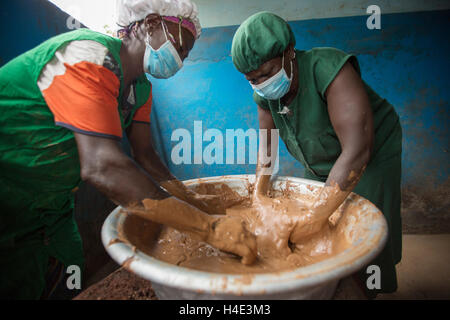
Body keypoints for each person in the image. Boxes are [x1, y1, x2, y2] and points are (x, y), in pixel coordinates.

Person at [0, 0, 233, 299]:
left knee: (69, 277)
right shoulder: (88, 55)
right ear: (149, 24)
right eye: (181, 48)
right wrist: (210, 229)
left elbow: (145, 156)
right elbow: (102, 166)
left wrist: (190, 198)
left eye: (185, 55)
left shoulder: (141, 88)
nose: (182, 59)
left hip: (52, 206)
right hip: (8, 196)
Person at [231, 12, 402, 298]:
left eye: (267, 72)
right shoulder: (264, 94)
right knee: (325, 221)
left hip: (370, 153)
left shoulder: (329, 69)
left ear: (288, 53)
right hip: (322, 159)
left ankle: (366, 288)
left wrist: (313, 218)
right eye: (253, 79)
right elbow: (267, 149)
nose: (261, 83)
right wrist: (259, 196)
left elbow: (357, 151)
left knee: (360, 224)